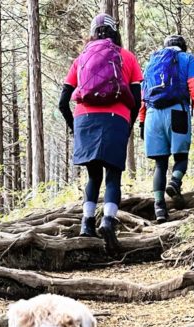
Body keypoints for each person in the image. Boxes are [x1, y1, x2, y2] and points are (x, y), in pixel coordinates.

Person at [58, 14, 142, 252]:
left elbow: (63, 102)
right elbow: (137, 100)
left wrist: (75, 127)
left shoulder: (81, 58)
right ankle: (108, 221)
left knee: (93, 176)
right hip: (116, 119)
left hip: (85, 119)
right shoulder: (127, 57)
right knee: (113, 176)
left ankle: (86, 223)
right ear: (115, 32)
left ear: (93, 32)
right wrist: (128, 125)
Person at [138, 35, 194, 222]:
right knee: (181, 157)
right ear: (183, 47)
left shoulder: (152, 61)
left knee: (160, 164)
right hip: (177, 111)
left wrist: (142, 120)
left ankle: (159, 208)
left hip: (153, 114)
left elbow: (143, 93)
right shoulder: (187, 58)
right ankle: (175, 182)